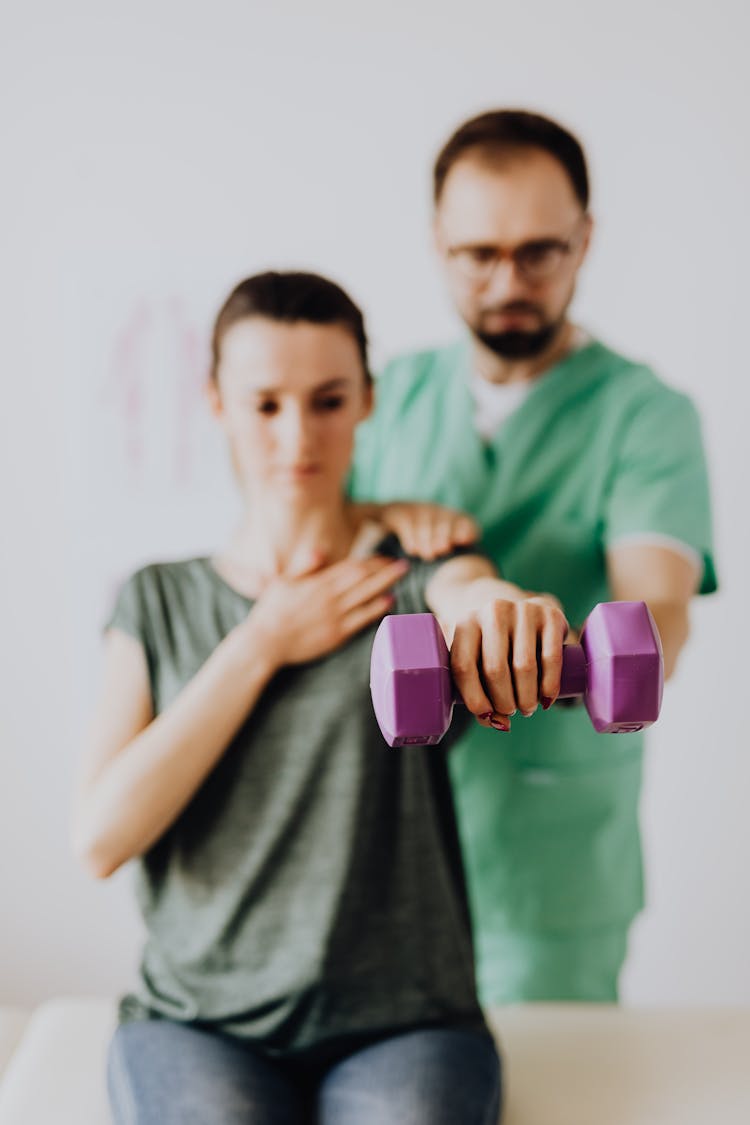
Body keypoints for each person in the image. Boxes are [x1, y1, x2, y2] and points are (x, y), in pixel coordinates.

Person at [72, 269, 571, 1124]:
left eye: (328, 399)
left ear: (367, 401)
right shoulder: (157, 598)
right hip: (197, 1023)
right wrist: (263, 642)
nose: (297, 434)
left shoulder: (417, 569)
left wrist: (503, 607)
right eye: (265, 404)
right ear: (216, 402)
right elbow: (100, 837)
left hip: (406, 1022)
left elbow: (470, 593)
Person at [350, 109, 717, 1005]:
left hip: (549, 864)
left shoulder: (645, 414)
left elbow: (657, 619)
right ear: (439, 243)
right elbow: (308, 553)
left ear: (584, 240)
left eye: (538, 251)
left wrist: (520, 640)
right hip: (373, 848)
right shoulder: (377, 397)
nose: (507, 279)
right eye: (479, 253)